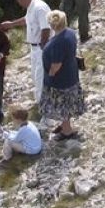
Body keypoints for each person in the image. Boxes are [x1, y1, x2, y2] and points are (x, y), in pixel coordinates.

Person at [40, 10, 85, 141]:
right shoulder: (70, 33)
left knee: (62, 106)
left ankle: (67, 132)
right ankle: (65, 125)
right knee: (69, 103)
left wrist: (50, 73)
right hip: (71, 74)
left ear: (51, 25)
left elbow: (56, 65)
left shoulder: (56, 43)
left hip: (59, 81)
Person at [3, 0, 52, 101]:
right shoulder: (32, 6)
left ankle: (43, 107)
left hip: (42, 47)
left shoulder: (39, 8)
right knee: (35, 77)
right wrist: (11, 24)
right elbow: (27, 19)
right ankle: (41, 102)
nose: (18, 3)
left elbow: (46, 28)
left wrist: (43, 45)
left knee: (40, 78)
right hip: (34, 48)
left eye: (18, 0)